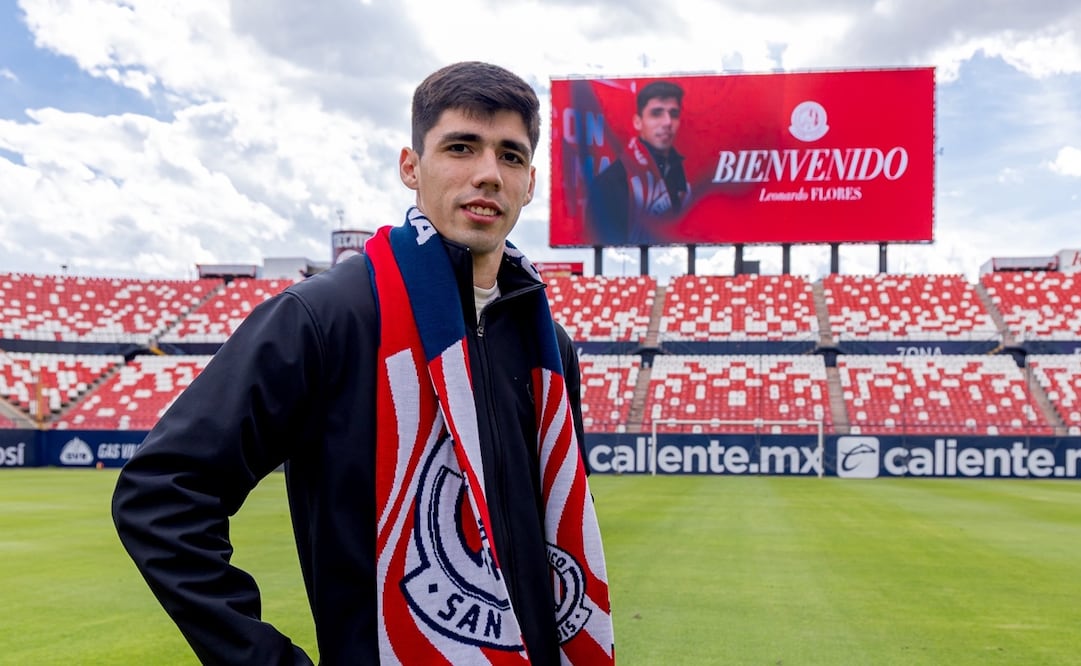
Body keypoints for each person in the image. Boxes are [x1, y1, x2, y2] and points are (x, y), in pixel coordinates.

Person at [112, 61, 615, 665]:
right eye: (461, 147)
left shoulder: (548, 344)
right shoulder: (324, 316)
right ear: (411, 166)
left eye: (510, 156)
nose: (487, 173)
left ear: (529, 183)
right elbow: (162, 493)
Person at [585, 80, 691, 245]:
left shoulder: (684, 173)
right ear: (638, 121)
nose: (667, 122)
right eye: (657, 113)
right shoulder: (612, 181)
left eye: (674, 114)